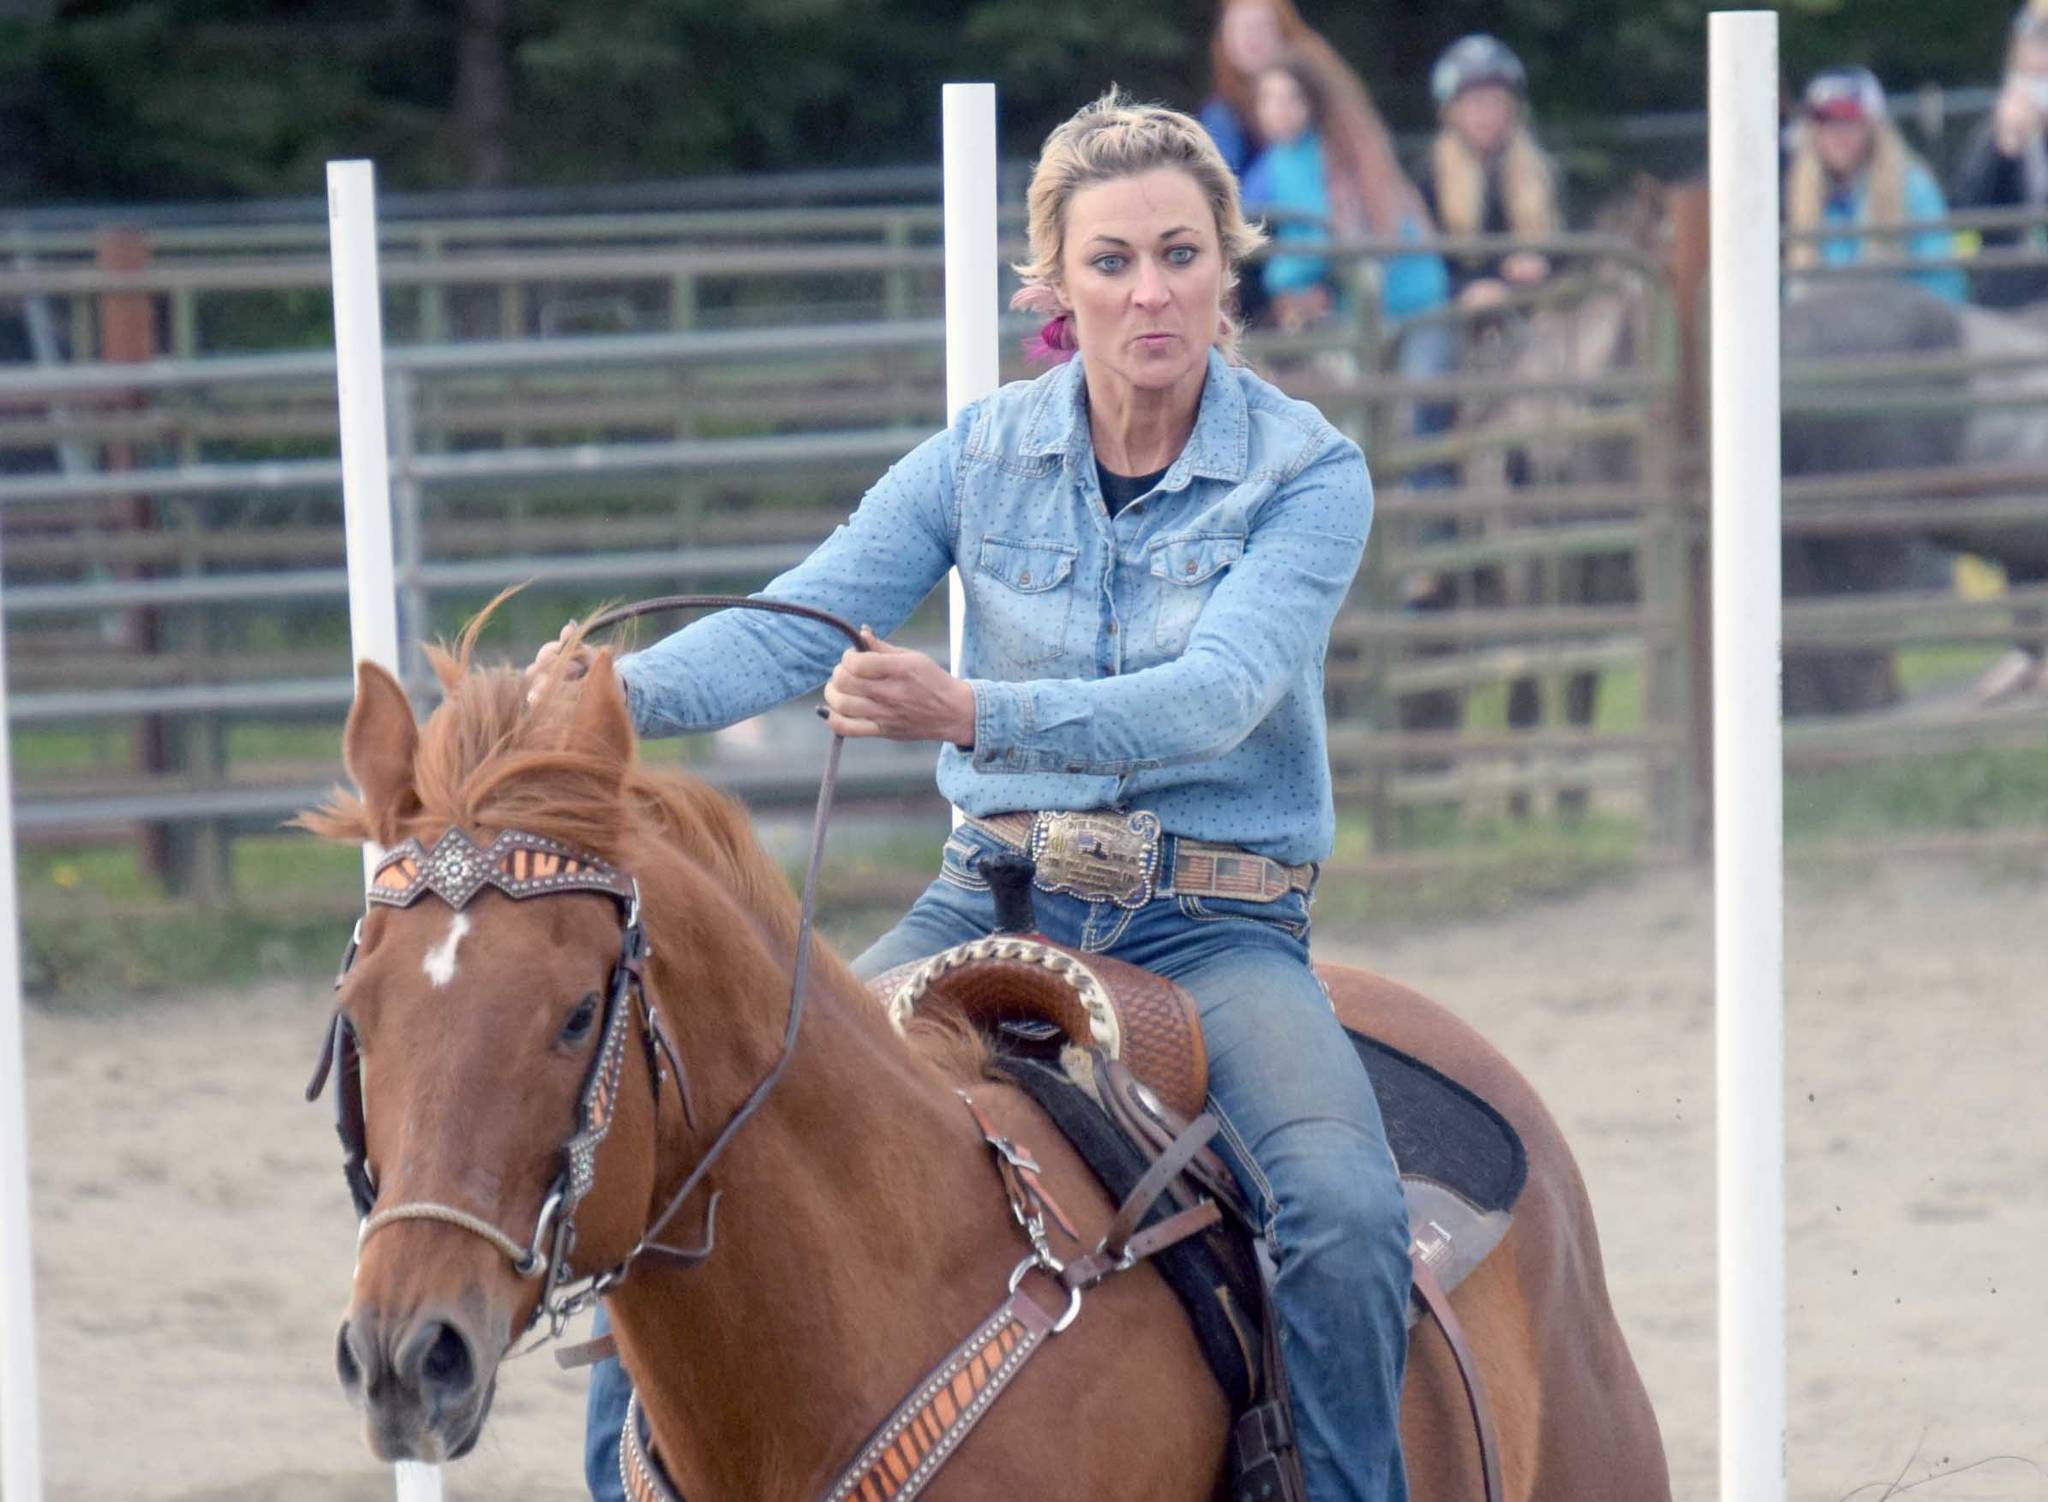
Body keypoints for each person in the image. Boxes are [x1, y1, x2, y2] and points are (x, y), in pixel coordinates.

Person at [540, 90, 1414, 1502]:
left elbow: (1222, 694)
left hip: (1215, 925)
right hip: (984, 894)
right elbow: (794, 622)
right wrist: (596, 698)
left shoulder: (1308, 472)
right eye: (1114, 258)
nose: (1152, 290)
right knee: (696, 1156)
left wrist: (967, 709)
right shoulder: (978, 454)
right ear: (1056, 284)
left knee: (1344, 1212)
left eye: (1183, 254)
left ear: (1229, 271)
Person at [1240, 56, 1449, 333]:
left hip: (1404, 299)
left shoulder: (1333, 155)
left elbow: (1326, 232)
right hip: (1352, 301)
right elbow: (1242, 212)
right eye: (1269, 99)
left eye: (1292, 99)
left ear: (1312, 103)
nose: (1279, 110)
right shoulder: (1279, 159)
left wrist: (1284, 278)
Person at [1785, 66, 1968, 305]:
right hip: (1826, 333)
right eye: (1825, 121)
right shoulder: (1804, 196)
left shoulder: (1913, 186)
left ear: (1873, 126)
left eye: (1849, 120)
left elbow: (1944, 285)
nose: (1837, 133)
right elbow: (1793, 294)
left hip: (1901, 331)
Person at [1421, 34, 1559, 313]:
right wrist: (1464, 291)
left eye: (1497, 101)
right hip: (1449, 315)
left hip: (1533, 312)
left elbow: (1574, 252)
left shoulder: (1542, 171)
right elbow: (1416, 266)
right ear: (1452, 111)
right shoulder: (1427, 176)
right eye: (1475, 102)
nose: (1487, 114)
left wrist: (1541, 264)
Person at [1952, 1, 2048, 309]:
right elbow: (1966, 214)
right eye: (2037, 41)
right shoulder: (1990, 134)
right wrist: (2003, 149)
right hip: (2008, 295)